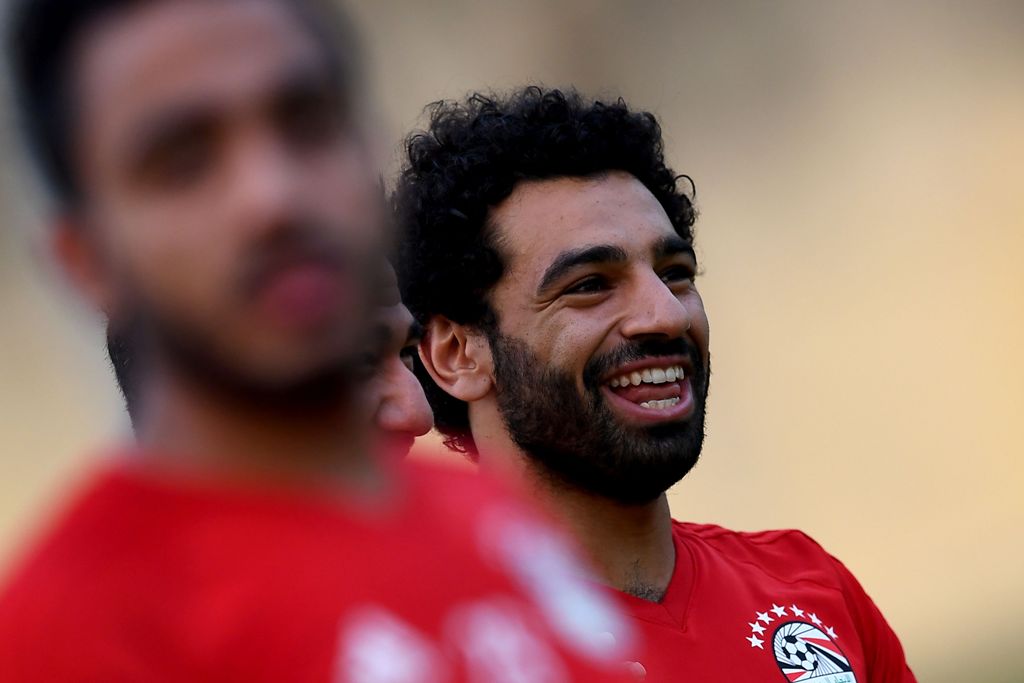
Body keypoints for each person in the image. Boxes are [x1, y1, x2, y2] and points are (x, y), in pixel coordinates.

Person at [0, 3, 634, 680]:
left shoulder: (499, 527)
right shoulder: (77, 636)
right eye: (183, 162)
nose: (274, 196)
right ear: (85, 260)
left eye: (306, 125)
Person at [394, 86, 917, 682]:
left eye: (675, 273)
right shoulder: (420, 652)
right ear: (457, 353)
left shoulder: (812, 590)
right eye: (590, 284)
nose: (666, 314)